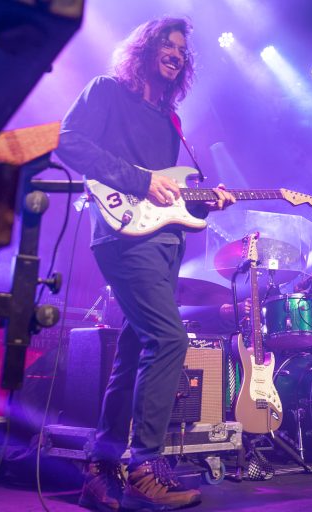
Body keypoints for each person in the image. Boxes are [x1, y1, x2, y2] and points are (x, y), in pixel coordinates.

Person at [56, 17, 236, 511]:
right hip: (122, 237)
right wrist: (139, 180)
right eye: (167, 45)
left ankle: (100, 470)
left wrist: (205, 202)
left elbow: (169, 195)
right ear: (145, 49)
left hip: (165, 244)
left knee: (134, 351)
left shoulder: (170, 119)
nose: (176, 54)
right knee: (170, 339)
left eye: (182, 50)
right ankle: (143, 467)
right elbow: (69, 141)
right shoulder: (107, 91)